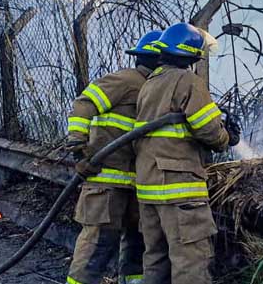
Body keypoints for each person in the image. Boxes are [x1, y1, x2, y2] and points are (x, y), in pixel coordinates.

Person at [132, 23, 241, 284]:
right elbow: (208, 130)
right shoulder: (188, 81)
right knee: (191, 259)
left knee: (156, 259)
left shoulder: (150, 83)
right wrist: (228, 138)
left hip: (148, 189)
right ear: (191, 54)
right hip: (179, 189)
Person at [64, 30, 164, 284]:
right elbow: (84, 103)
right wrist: (78, 142)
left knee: (137, 245)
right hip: (107, 181)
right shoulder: (124, 80)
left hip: (139, 183)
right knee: (98, 244)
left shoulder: (160, 89)